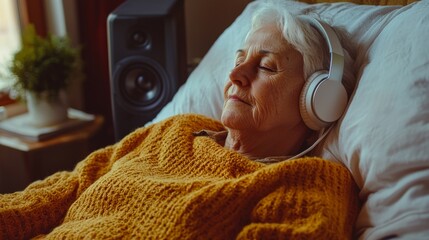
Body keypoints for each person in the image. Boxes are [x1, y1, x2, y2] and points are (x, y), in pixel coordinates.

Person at [0, 2, 358, 239]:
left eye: (266, 66)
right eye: (238, 59)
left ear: (317, 100)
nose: (236, 74)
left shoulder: (307, 184)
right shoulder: (177, 129)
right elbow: (70, 186)